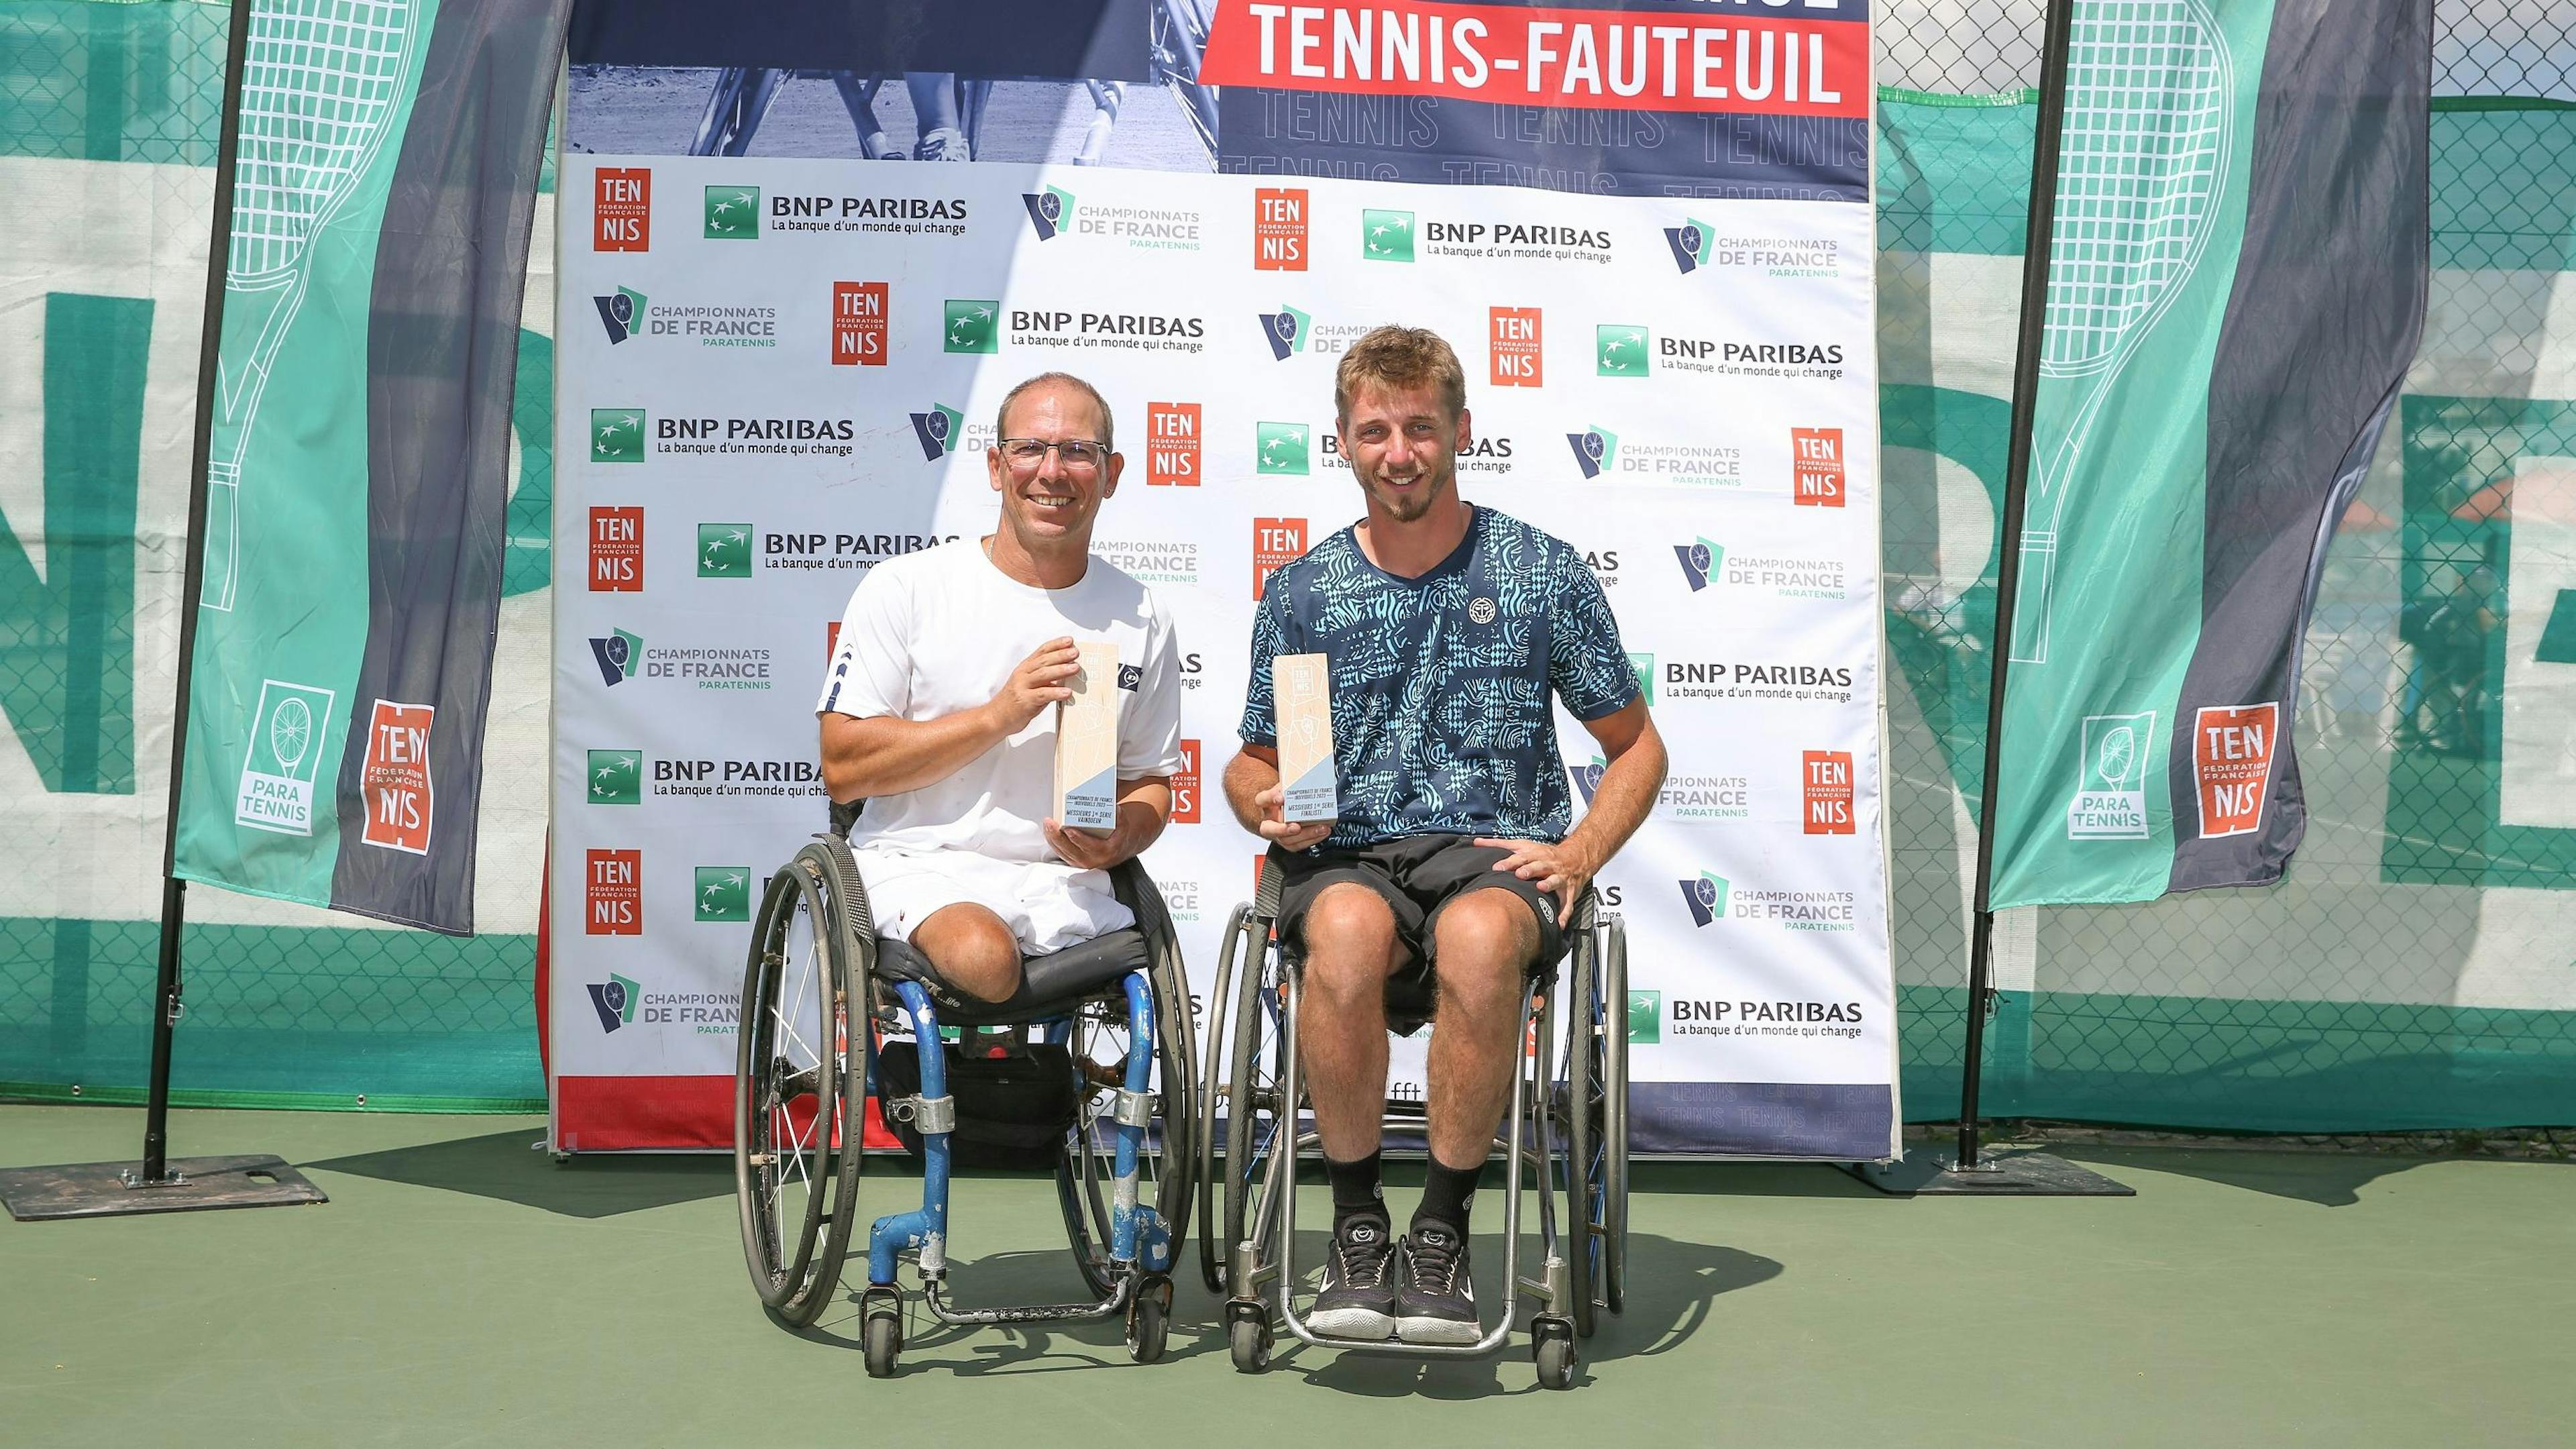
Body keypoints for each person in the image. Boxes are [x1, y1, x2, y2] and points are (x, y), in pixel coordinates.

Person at [1222, 326, 1666, 1344]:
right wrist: (1266, 805)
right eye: (1375, 430)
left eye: (1421, 427)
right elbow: (1253, 759)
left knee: (1476, 938)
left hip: (1491, 852)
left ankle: (1442, 1235)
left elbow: (1637, 748)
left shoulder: (1540, 572)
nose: (1400, 451)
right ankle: (1355, 1230)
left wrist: (1582, 848)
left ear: (1462, 430)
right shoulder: (1301, 591)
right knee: (1340, 930)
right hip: (1349, 855)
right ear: (1343, 442)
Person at [816, 373, 1183, 1002]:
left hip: (1065, 885)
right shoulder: (908, 587)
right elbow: (844, 767)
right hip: (920, 865)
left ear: (1112, 473)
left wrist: (1121, 836)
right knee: (986, 960)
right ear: (995, 466)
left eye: (1077, 451)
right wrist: (998, 716)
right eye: (1030, 449)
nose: (1052, 471)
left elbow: (1149, 781)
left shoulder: (1141, 611)